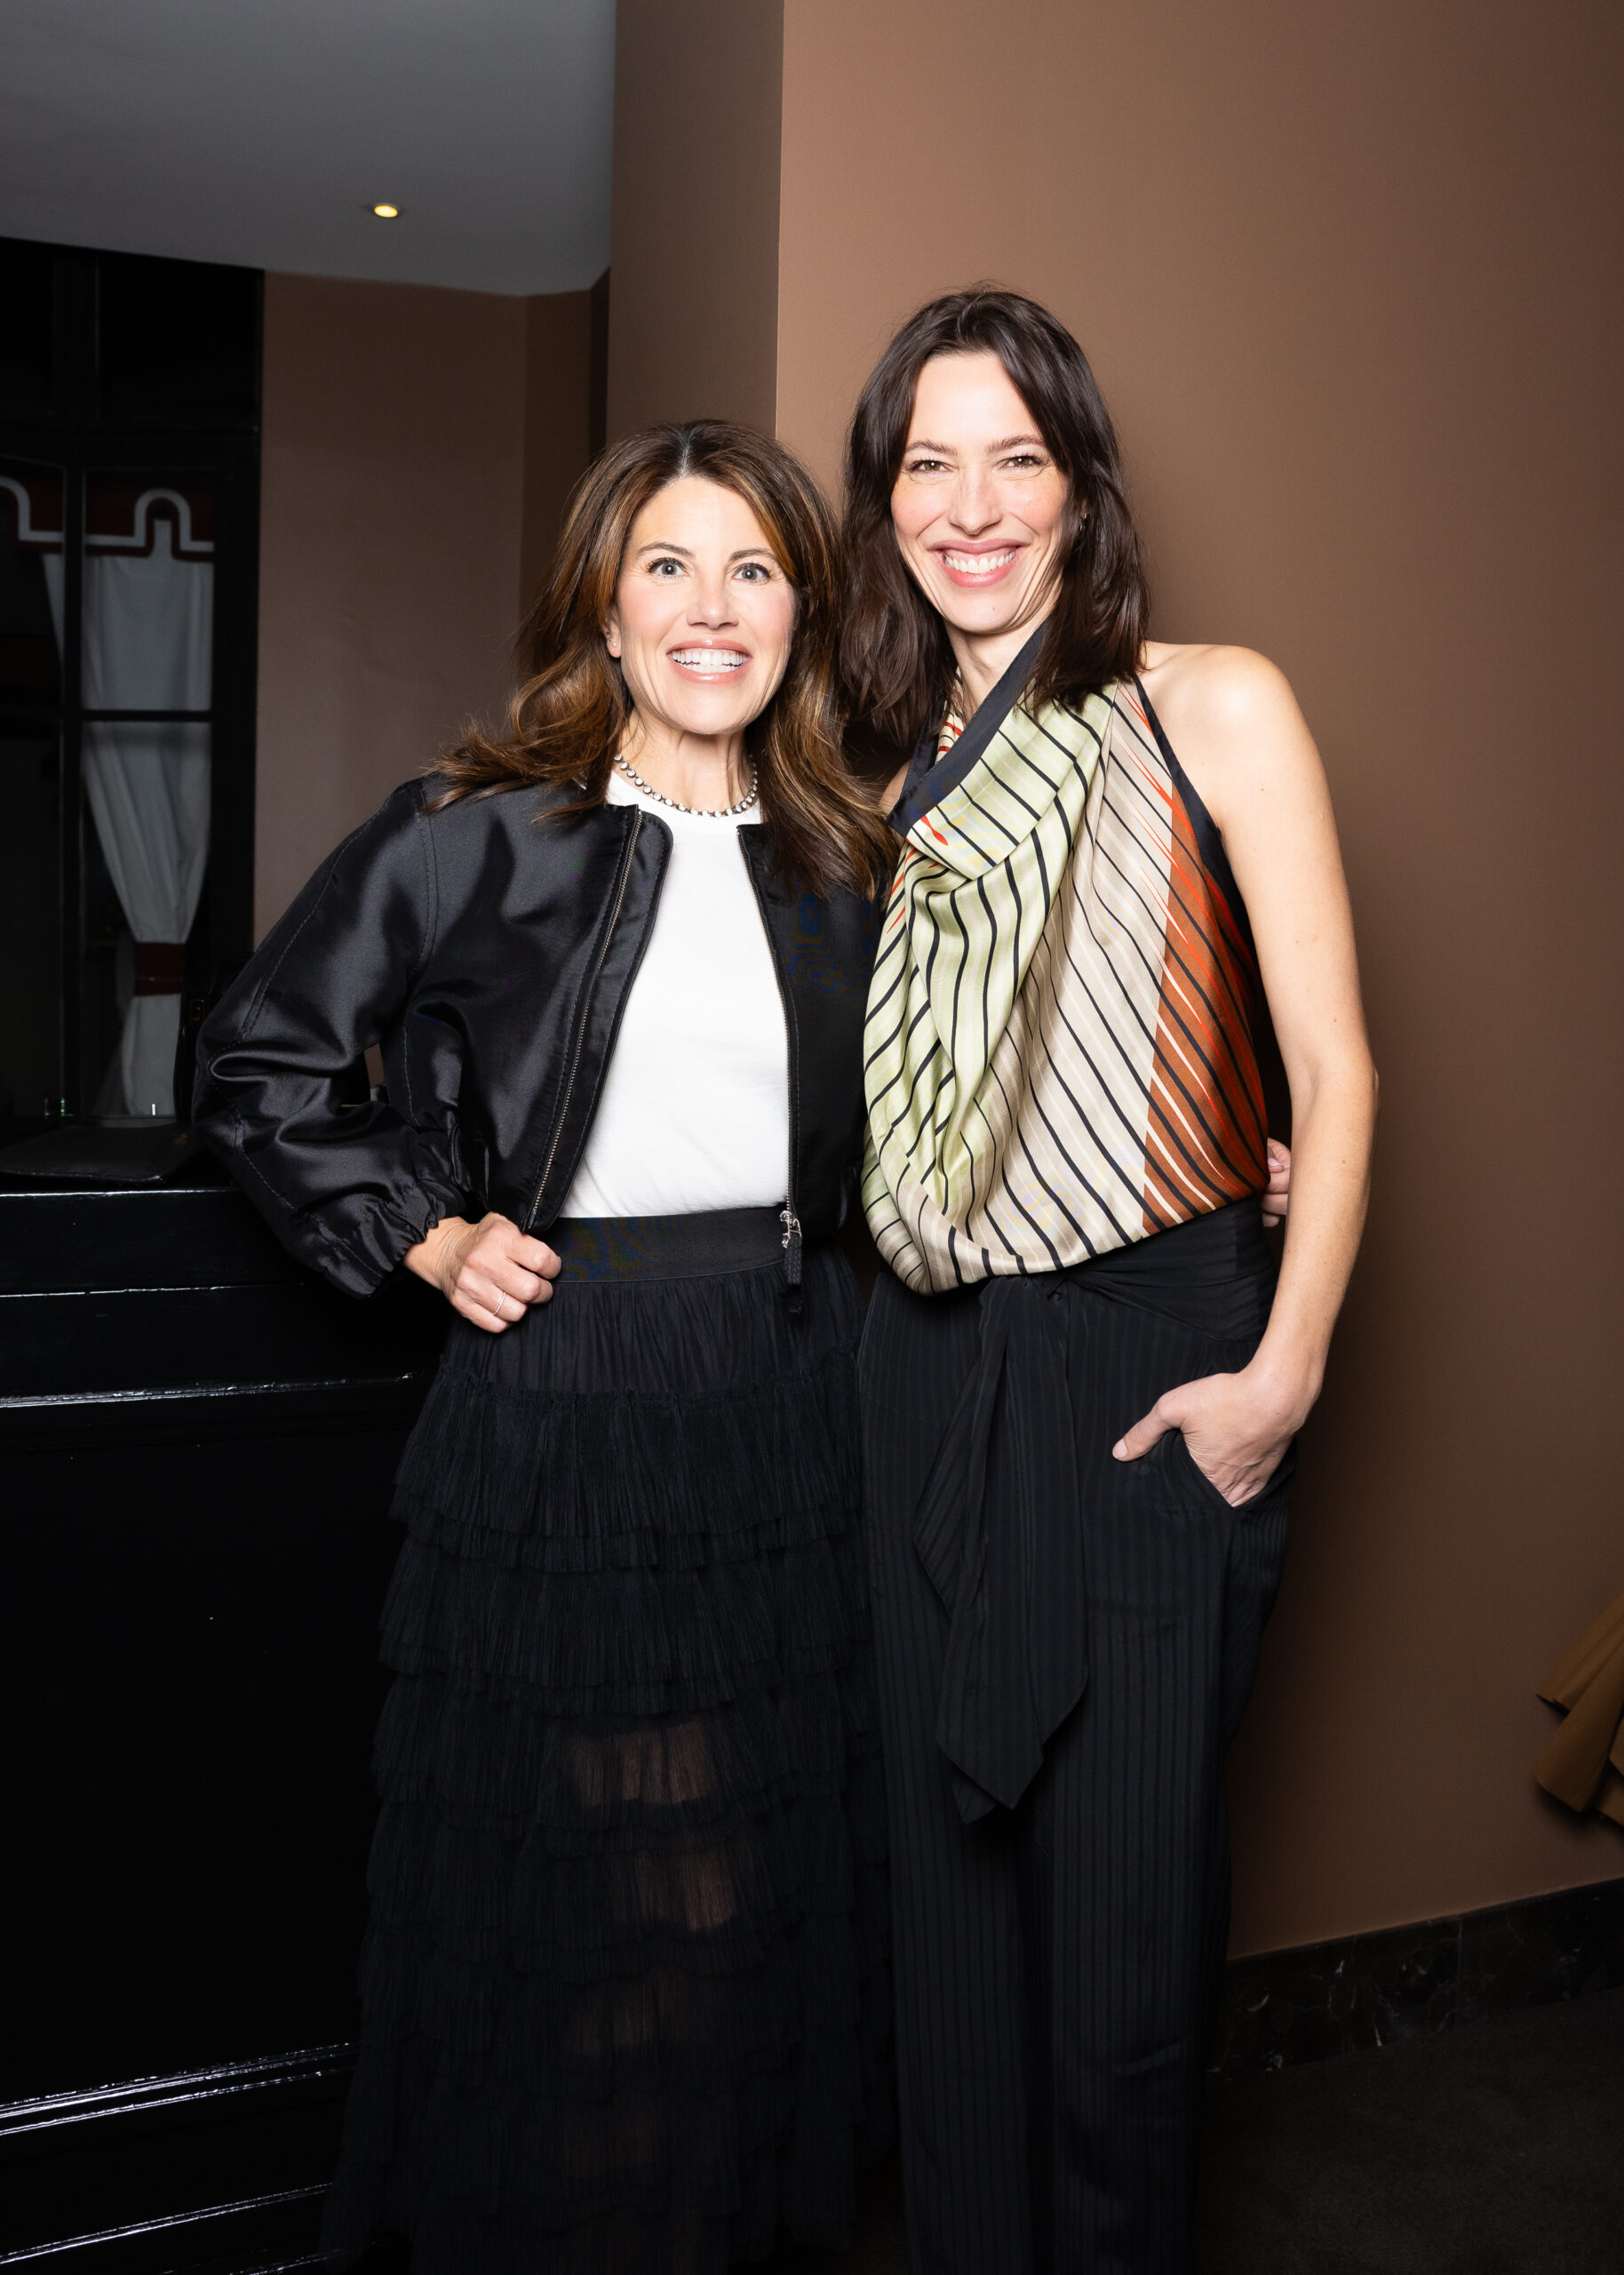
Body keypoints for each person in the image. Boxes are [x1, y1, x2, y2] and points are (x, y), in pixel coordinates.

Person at [193, 423, 896, 2274]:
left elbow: (945, 1124)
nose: (711, 605)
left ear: (800, 608)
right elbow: (258, 1059)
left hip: (779, 1395)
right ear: (605, 593)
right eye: (668, 562)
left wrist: (1229, 1154)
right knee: (600, 1892)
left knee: (747, 1890)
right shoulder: (476, 827)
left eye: (752, 567)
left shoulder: (843, 858)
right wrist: (418, 1224)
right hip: (572, 1396)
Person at [840, 289, 1377, 2273]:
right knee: (947, 1936)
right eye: (927, 461)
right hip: (914, 1371)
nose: (970, 504)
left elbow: (1331, 1070)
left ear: (1077, 483)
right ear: (882, 496)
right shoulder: (869, 771)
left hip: (1157, 1362)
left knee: (1123, 1939)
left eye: (1015, 456)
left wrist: (1281, 1373)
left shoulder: (1201, 698)